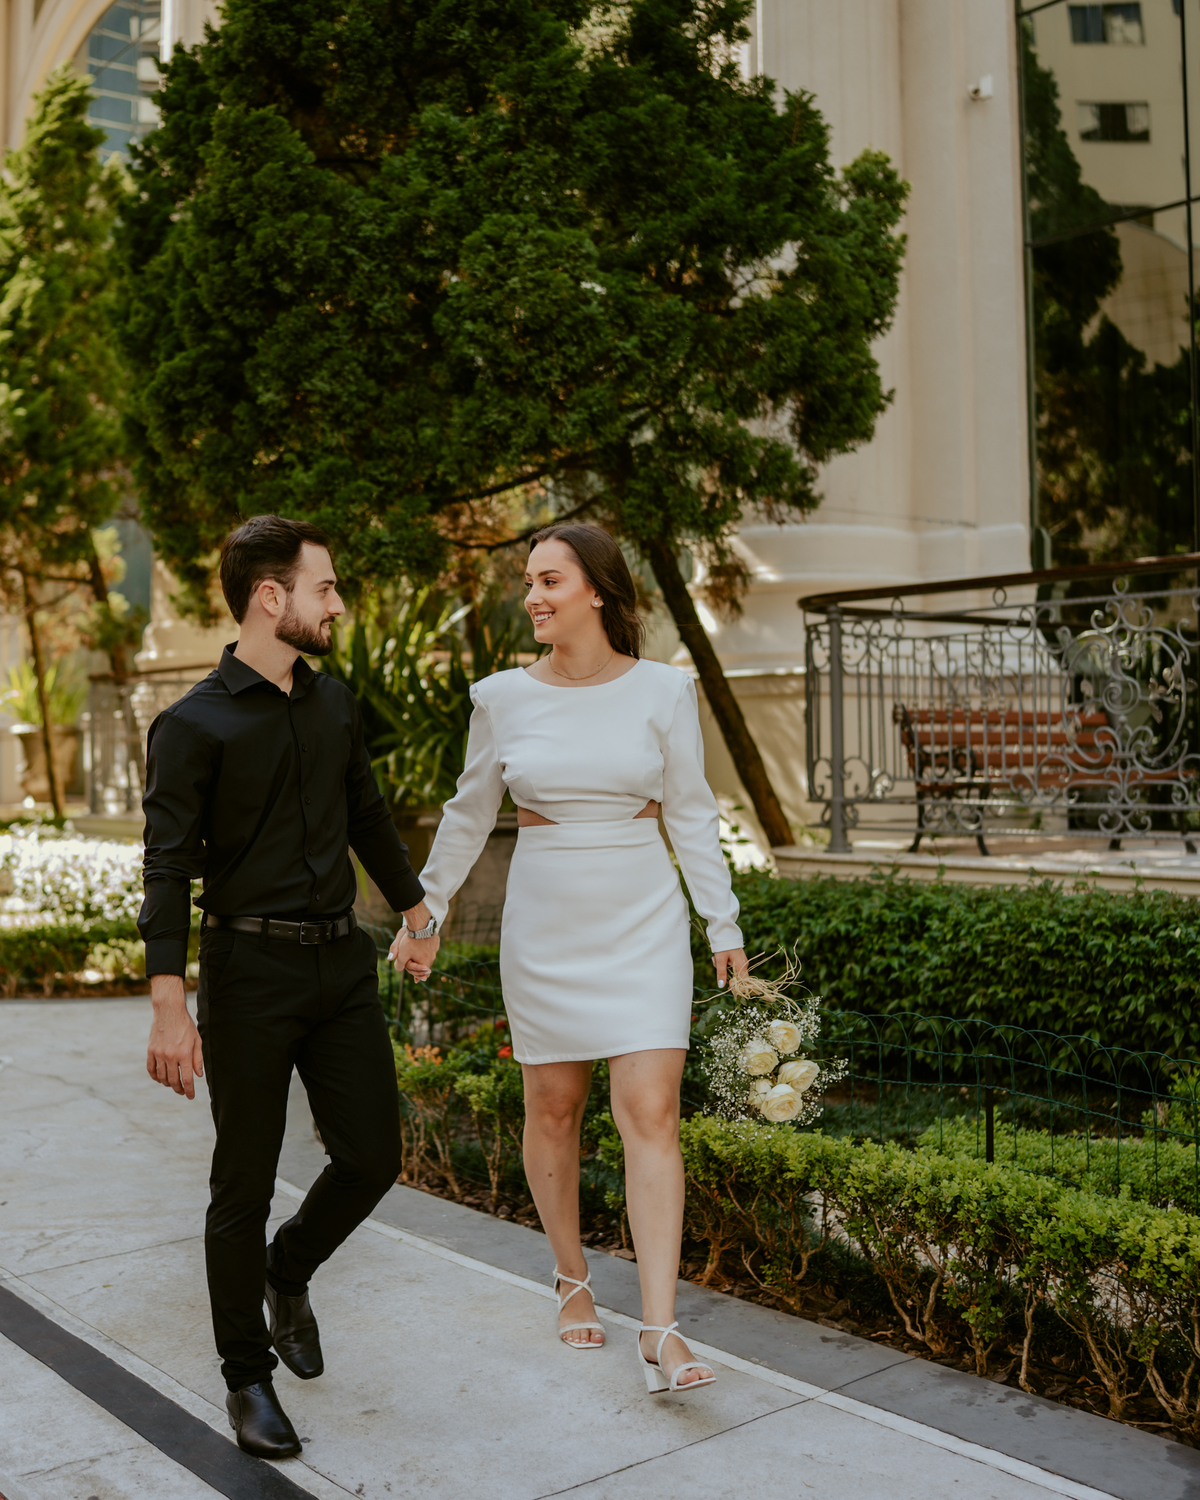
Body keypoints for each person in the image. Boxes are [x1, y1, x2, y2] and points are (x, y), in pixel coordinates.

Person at [410, 522, 748, 1394]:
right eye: (529, 581)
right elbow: (467, 813)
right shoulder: (501, 697)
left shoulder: (665, 692)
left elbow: (691, 813)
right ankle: (571, 1279)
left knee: (652, 1110)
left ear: (596, 590)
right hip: (546, 920)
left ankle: (662, 1330)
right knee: (554, 1107)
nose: (533, 596)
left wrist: (722, 924)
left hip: (642, 915)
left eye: (550, 580)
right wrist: (427, 910)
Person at [139, 516, 440, 1459]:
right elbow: (164, 870)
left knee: (373, 1156)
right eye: (326, 588)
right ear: (272, 598)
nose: (338, 604)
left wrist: (416, 909)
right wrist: (167, 1004)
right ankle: (246, 1380)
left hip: (338, 962)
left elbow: (365, 814)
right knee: (243, 1180)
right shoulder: (191, 724)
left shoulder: (334, 703)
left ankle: (289, 1268)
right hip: (249, 974)